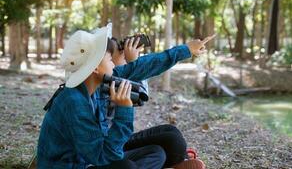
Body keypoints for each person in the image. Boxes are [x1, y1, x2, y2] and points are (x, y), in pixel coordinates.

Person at [37, 23, 214, 168]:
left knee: (160, 149)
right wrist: (124, 111)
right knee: (125, 167)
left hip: (96, 150)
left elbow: (141, 67)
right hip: (80, 163)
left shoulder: (96, 82)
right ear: (96, 68)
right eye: (108, 59)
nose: (113, 63)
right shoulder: (73, 102)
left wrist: (186, 50)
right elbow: (104, 156)